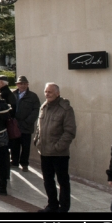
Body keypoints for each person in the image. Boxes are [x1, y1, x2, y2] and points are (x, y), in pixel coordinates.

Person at [34, 83, 77, 213]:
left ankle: (63, 208)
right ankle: (52, 205)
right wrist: (37, 140)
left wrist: (58, 147)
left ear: (57, 93)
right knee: (48, 180)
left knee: (62, 182)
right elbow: (39, 127)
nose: (47, 94)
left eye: (50, 92)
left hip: (59, 153)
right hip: (44, 151)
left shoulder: (65, 109)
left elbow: (70, 131)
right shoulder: (44, 106)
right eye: (46, 91)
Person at [10, 75, 40, 172]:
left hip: (26, 125)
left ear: (27, 85)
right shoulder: (13, 94)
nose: (22, 86)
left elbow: (36, 110)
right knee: (15, 145)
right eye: (20, 84)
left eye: (24, 84)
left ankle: (24, 163)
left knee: (25, 146)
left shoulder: (33, 96)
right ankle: (14, 161)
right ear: (17, 85)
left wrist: (28, 121)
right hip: (15, 125)